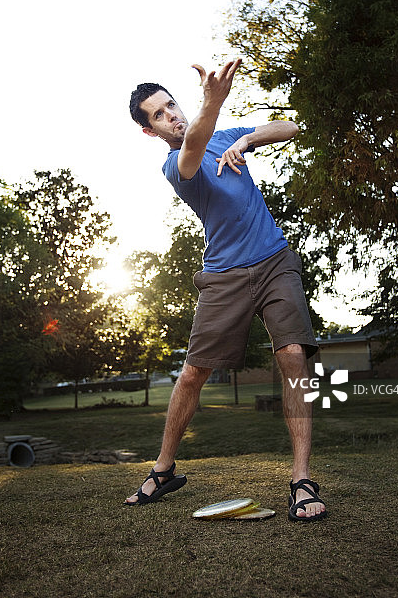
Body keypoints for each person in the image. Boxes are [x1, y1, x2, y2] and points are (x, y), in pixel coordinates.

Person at [125, 58, 326, 521]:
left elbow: (290, 126)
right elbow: (193, 144)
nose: (170, 115)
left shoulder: (221, 136)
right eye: (158, 115)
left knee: (293, 354)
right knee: (194, 373)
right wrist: (211, 102)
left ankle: (301, 478)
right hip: (224, 277)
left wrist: (247, 138)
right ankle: (163, 470)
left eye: (170, 105)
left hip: (275, 260)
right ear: (150, 131)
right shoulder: (176, 165)